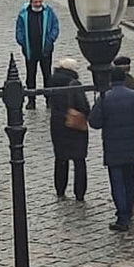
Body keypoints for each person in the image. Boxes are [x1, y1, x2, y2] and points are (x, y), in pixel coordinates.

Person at [88, 67, 134, 232]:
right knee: (130, 180)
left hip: (113, 147)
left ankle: (122, 215)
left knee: (117, 182)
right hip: (132, 145)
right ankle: (128, 210)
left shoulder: (104, 98)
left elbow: (94, 122)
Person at [48, 59, 89, 201]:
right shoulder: (74, 84)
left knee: (60, 158)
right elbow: (83, 106)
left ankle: (60, 189)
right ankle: (79, 192)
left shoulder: (52, 82)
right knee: (79, 160)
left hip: (57, 124)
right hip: (74, 126)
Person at [15, 0, 59, 107]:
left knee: (47, 75)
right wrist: (22, 42)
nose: (38, 4)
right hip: (30, 50)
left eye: (40, 1)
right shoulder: (24, 13)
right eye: (35, 2)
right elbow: (19, 29)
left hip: (45, 49)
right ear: (31, 2)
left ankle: (49, 99)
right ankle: (31, 99)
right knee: (30, 75)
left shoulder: (48, 12)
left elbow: (55, 26)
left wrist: (50, 39)